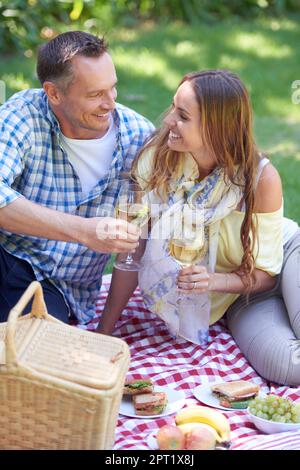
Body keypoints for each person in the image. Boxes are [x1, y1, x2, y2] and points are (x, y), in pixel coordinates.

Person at [98, 69, 300, 386]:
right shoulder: (160, 158)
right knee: (288, 366)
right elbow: (133, 251)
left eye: (182, 116)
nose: (167, 121)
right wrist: (104, 332)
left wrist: (212, 280)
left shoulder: (260, 178)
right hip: (239, 297)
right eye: (172, 108)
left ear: (216, 128)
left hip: (282, 262)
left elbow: (265, 274)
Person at [0, 31, 154, 324]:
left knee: (32, 350)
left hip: (58, 290)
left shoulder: (139, 139)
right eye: (95, 94)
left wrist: (105, 331)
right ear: (54, 93)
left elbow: (137, 247)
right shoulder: (25, 114)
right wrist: (83, 231)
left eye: (113, 88)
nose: (110, 103)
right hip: (7, 255)